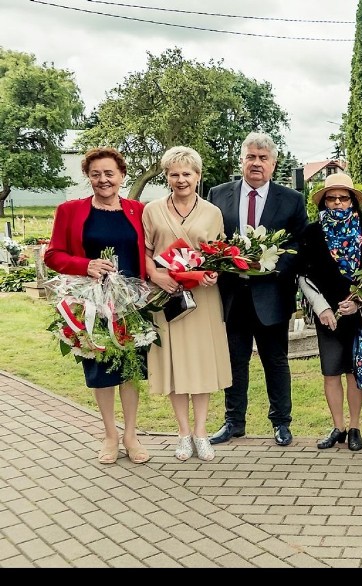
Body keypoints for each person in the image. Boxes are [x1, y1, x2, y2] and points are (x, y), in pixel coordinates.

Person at [44, 147, 150, 465]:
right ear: (88, 177)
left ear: (121, 175)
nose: (103, 180)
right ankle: (110, 435)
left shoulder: (138, 210)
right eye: (96, 174)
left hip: (132, 303)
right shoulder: (70, 210)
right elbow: (53, 254)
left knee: (130, 369)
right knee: (101, 370)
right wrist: (85, 264)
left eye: (109, 173)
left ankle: (131, 434)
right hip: (91, 305)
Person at [208, 132, 308, 447]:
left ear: (273, 163)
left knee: (275, 361)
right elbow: (211, 241)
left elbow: (299, 245)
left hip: (271, 295)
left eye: (263, 158)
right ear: (242, 160)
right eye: (250, 157)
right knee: (234, 361)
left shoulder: (292, 200)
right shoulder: (218, 194)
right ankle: (233, 422)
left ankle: (281, 423)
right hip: (232, 296)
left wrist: (271, 265)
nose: (256, 163)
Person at [142, 147, 231, 461]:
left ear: (198, 176)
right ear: (167, 176)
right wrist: (156, 275)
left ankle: (202, 432)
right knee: (177, 365)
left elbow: (219, 256)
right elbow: (146, 249)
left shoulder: (212, 212)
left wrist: (211, 275)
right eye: (175, 174)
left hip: (202, 298)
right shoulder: (151, 210)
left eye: (187, 173)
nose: (181, 179)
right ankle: (182, 434)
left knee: (200, 364)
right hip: (167, 296)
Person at [296, 173, 362, 452]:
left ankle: (355, 427)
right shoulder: (311, 232)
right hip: (327, 315)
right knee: (331, 372)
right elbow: (303, 275)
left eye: (344, 197)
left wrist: (358, 301)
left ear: (352, 201)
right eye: (332, 198)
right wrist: (322, 308)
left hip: (358, 312)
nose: (338, 203)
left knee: (354, 372)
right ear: (324, 202)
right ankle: (338, 427)